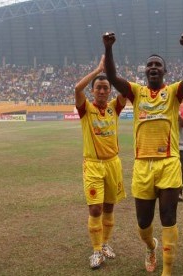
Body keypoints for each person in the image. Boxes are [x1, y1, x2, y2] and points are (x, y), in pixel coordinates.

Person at [103, 31, 183, 276]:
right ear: (145, 72)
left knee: (168, 217)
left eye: (158, 65)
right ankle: (150, 246)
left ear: (165, 72)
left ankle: (167, 271)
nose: (153, 67)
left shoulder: (174, 92)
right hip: (142, 165)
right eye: (150, 65)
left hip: (168, 163)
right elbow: (113, 77)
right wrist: (109, 48)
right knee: (143, 224)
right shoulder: (136, 92)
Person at [73, 55, 127, 269]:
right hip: (93, 165)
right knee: (95, 209)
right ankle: (96, 251)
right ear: (93, 90)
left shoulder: (115, 107)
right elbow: (77, 89)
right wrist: (97, 71)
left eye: (106, 87)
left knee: (109, 207)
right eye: (99, 88)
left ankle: (105, 243)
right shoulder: (86, 108)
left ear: (110, 90)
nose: (103, 91)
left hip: (113, 163)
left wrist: (111, 73)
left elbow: (126, 91)